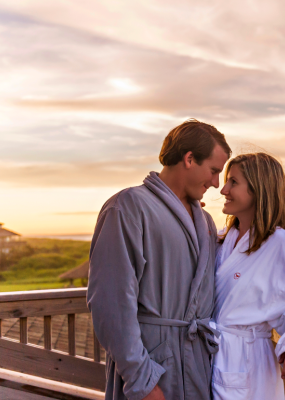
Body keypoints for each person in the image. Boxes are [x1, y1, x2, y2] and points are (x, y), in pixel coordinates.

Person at [87, 119, 231, 400]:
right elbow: (111, 304)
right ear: (189, 159)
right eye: (214, 171)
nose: (216, 184)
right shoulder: (127, 208)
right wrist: (142, 380)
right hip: (153, 370)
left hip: (199, 369)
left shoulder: (204, 220)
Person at [211, 153, 285, 400]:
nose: (223, 190)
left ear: (258, 190)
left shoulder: (279, 243)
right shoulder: (222, 239)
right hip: (213, 359)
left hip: (248, 363)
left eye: (233, 182)